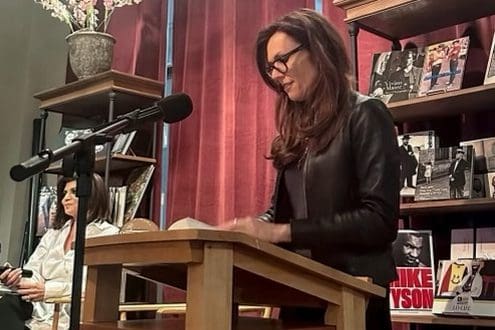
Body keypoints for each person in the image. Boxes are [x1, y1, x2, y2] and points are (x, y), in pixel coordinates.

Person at [221, 9, 400, 330]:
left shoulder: (366, 114)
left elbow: (379, 221)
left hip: (353, 294)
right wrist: (241, 233)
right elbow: (280, 216)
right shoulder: (294, 133)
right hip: (298, 288)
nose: (275, 75)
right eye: (269, 68)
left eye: (282, 60)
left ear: (318, 50)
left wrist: (282, 232)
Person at [0, 173, 119, 330]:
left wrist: (49, 291)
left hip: (73, 312)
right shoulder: (53, 233)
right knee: (6, 304)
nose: (65, 199)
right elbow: (34, 271)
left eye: (73, 192)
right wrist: (17, 279)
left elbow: (98, 288)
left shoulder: (108, 234)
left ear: (93, 195)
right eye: (64, 193)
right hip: (39, 309)